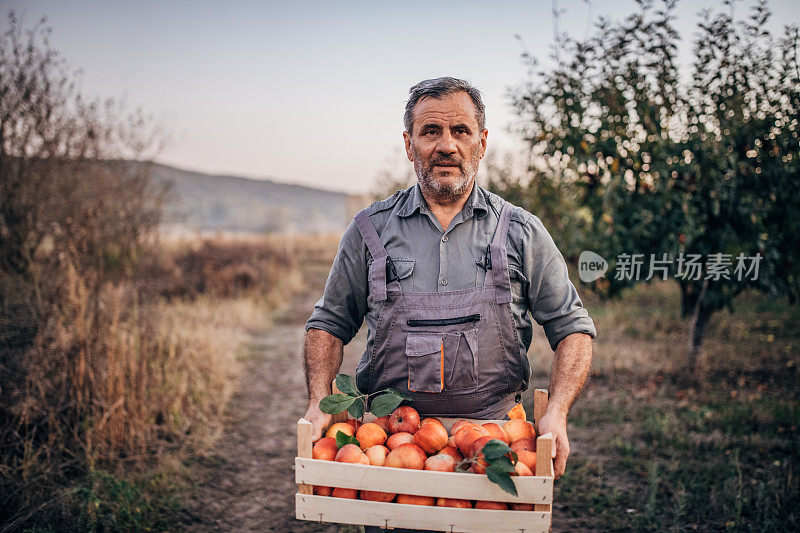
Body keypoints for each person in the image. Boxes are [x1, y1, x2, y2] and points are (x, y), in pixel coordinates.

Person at [302, 77, 596, 483]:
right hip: (388, 446)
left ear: (482, 142)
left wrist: (558, 411)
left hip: (497, 443)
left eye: (460, 131)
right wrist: (319, 399)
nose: (446, 145)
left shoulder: (521, 232)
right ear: (409, 145)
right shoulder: (369, 230)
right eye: (430, 131)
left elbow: (573, 328)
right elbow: (329, 324)